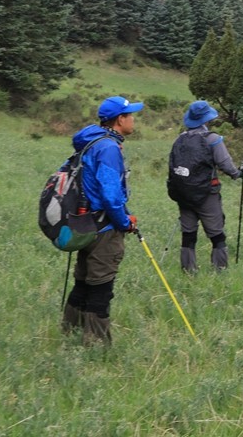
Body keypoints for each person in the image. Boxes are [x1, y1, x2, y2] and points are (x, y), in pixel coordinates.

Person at [61, 95, 143, 346]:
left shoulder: (91, 142)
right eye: (131, 116)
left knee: (84, 281)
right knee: (101, 287)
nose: (134, 120)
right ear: (120, 119)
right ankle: (96, 346)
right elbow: (110, 193)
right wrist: (124, 222)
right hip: (103, 228)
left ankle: (70, 331)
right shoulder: (108, 148)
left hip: (85, 225)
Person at [167, 100, 243, 272]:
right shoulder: (212, 139)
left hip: (184, 193)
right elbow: (227, 166)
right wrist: (240, 173)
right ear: (206, 119)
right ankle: (220, 270)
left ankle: (188, 271)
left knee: (188, 234)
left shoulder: (179, 139)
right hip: (207, 194)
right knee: (217, 234)